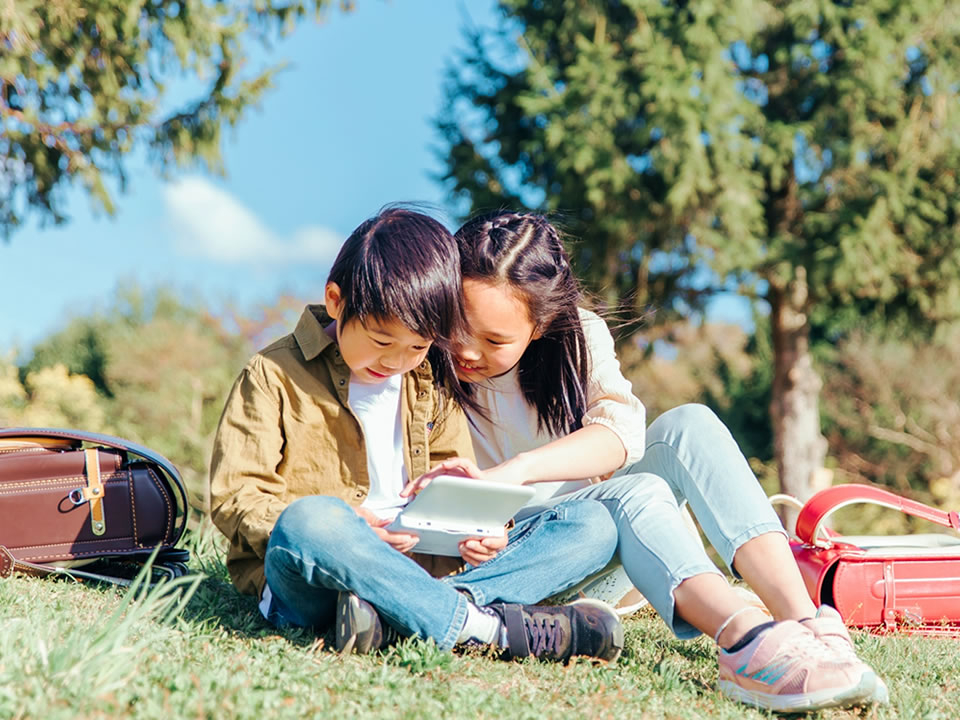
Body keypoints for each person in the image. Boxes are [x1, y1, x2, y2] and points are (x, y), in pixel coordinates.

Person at [409, 210, 889, 712]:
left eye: (494, 340)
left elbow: (619, 436)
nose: (464, 348)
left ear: (540, 325)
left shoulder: (577, 337)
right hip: (526, 557)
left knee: (690, 424)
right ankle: (745, 647)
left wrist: (518, 470)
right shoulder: (423, 353)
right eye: (458, 324)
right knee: (630, 495)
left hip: (604, 550)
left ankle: (805, 626)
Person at [208, 206, 623, 664]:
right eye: (382, 341)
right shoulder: (273, 375)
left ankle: (397, 615)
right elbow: (236, 497)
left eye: (418, 346)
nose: (395, 360)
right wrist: (351, 524)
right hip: (318, 575)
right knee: (311, 521)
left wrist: (483, 532)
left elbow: (457, 480)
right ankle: (483, 627)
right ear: (335, 300)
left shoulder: (430, 381)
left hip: (424, 569)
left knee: (593, 526)